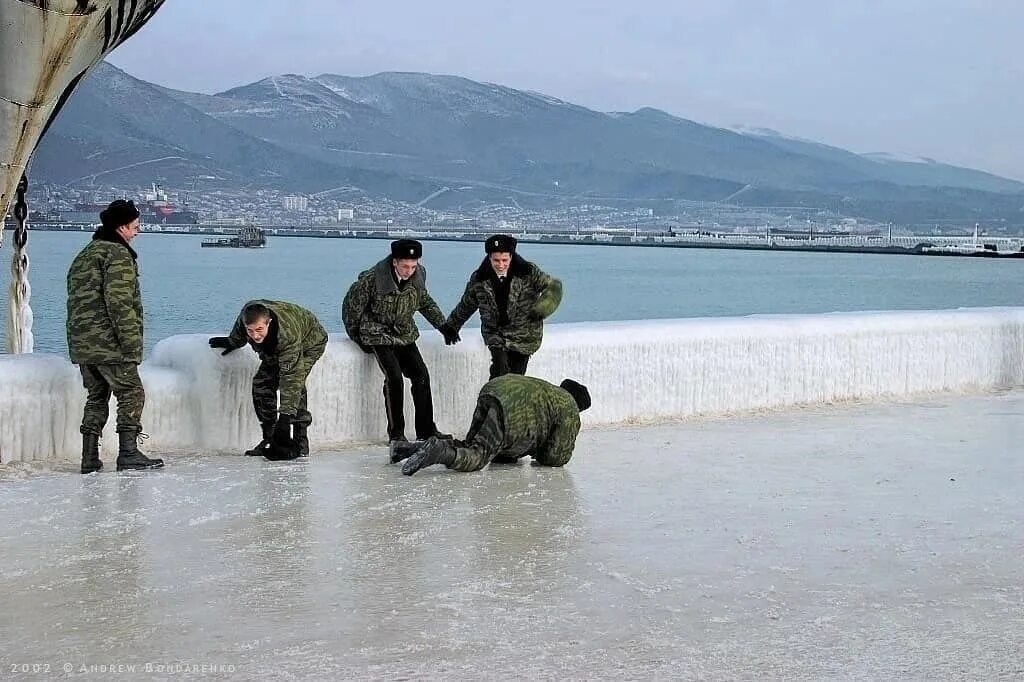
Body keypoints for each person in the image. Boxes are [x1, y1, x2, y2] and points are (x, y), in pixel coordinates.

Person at [66, 199, 164, 473]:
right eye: (135, 226)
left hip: (83, 344)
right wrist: (132, 345)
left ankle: (89, 457)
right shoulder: (117, 255)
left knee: (96, 397)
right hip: (109, 344)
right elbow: (119, 303)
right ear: (121, 227)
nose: (138, 231)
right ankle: (128, 453)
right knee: (132, 392)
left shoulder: (85, 254)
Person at [342, 239, 457, 447]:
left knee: (421, 375)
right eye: (405, 266)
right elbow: (351, 308)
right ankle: (396, 435)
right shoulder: (371, 279)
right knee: (394, 378)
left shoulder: (419, 274)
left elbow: (425, 301)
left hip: (404, 332)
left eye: (413, 266)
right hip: (377, 332)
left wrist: (444, 326)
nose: (409, 271)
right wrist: (357, 338)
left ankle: (426, 430)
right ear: (395, 262)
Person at [394, 374, 591, 476]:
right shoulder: (569, 407)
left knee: (469, 444)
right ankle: (439, 452)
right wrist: (537, 451)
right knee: (477, 456)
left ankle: (410, 449)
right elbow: (556, 457)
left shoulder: (550, 391)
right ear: (579, 406)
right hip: (512, 407)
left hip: (494, 389)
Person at [209, 300, 327, 460]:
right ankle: (270, 438)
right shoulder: (246, 315)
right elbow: (240, 331)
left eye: (259, 330)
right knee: (261, 384)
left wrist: (285, 418)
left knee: (296, 384)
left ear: (269, 323)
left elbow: (291, 378)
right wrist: (233, 342)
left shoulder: (287, 335)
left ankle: (300, 439)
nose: (255, 335)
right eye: (250, 331)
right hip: (276, 345)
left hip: (309, 343)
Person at [444, 234, 562, 379]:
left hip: (524, 335)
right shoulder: (479, 278)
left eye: (504, 260)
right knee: (499, 372)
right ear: (489, 258)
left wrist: (543, 307)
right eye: (496, 260)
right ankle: (492, 399)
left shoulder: (528, 271)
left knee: (515, 380)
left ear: (511, 257)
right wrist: (452, 326)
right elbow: (467, 304)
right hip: (496, 334)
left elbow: (553, 286)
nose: (500, 265)